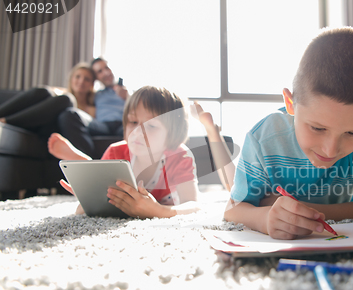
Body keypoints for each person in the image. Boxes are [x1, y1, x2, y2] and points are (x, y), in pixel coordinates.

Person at [223, 27, 353, 240]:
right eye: (318, 128)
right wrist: (265, 218)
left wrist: (300, 211)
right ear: (290, 103)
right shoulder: (262, 139)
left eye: (352, 133)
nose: (330, 149)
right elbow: (233, 210)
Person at [49, 86, 233, 218]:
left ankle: (88, 162)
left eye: (151, 126)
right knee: (82, 208)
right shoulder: (116, 152)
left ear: (172, 135)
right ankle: (88, 164)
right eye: (133, 122)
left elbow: (194, 206)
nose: (137, 132)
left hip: (165, 201)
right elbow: (84, 210)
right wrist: (90, 196)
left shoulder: (179, 156)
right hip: (118, 180)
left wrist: (158, 211)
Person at [0, 62, 96, 140]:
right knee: (44, 91)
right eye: (77, 76)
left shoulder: (91, 108)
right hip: (32, 120)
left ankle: (6, 121)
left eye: (86, 79)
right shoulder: (61, 95)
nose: (81, 81)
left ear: (92, 85)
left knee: (67, 100)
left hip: (48, 130)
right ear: (71, 79)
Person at [57, 57, 129, 158]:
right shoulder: (96, 95)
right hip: (103, 126)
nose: (106, 73)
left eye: (107, 68)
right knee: (69, 114)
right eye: (100, 71)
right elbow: (76, 94)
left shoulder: (129, 92)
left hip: (124, 124)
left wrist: (127, 97)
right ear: (96, 79)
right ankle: (85, 159)